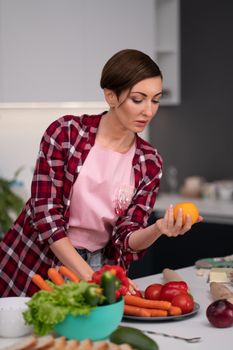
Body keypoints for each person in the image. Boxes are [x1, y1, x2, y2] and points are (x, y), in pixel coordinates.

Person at [0, 49, 202, 297]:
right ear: (111, 96)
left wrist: (158, 228)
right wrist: (89, 275)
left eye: (155, 100)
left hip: (102, 266)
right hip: (41, 261)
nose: (149, 111)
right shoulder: (66, 133)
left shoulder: (149, 161)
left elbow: (126, 236)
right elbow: (46, 215)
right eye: (138, 99)